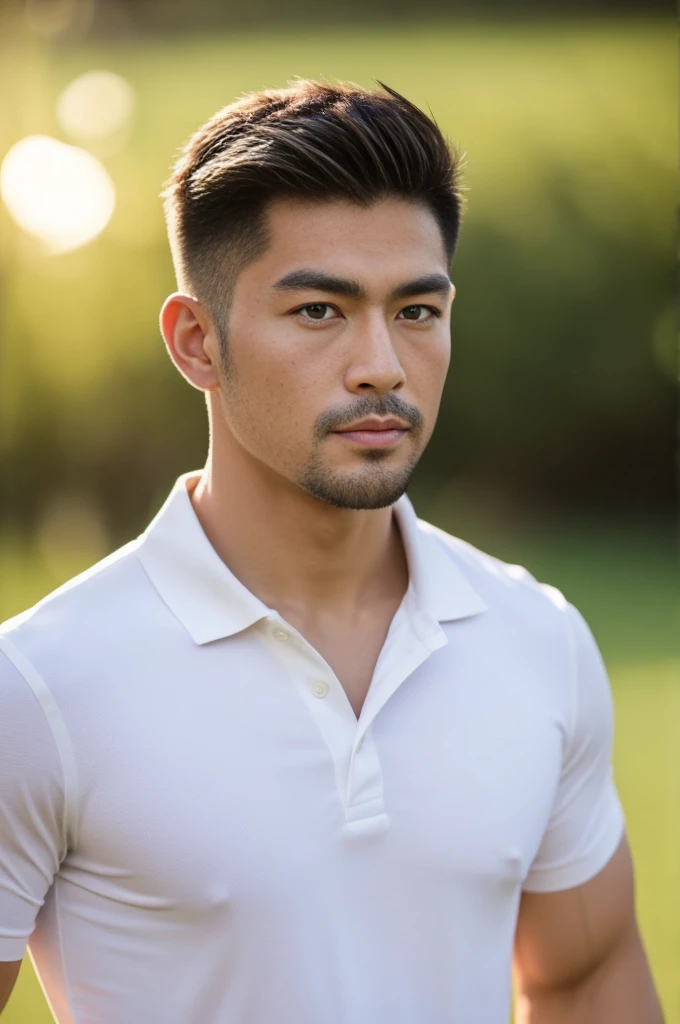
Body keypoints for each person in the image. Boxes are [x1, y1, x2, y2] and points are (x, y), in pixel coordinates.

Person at [0, 79, 663, 1024]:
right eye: (320, 311)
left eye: (417, 312)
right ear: (198, 343)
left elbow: (586, 980)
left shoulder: (538, 642)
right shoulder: (37, 689)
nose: (382, 365)